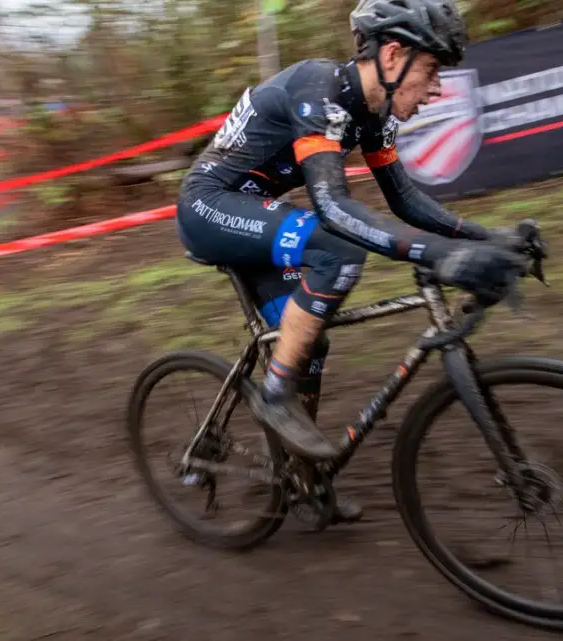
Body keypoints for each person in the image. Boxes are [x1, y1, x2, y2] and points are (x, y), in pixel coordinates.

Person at [175, 0, 531, 524]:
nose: (436, 89)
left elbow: (405, 201)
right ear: (392, 55)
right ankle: (273, 395)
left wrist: (490, 238)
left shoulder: (374, 114)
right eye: (432, 71)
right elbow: (334, 208)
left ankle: (304, 479)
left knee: (310, 342)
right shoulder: (320, 89)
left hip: (259, 214)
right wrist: (440, 255)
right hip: (209, 206)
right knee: (336, 249)